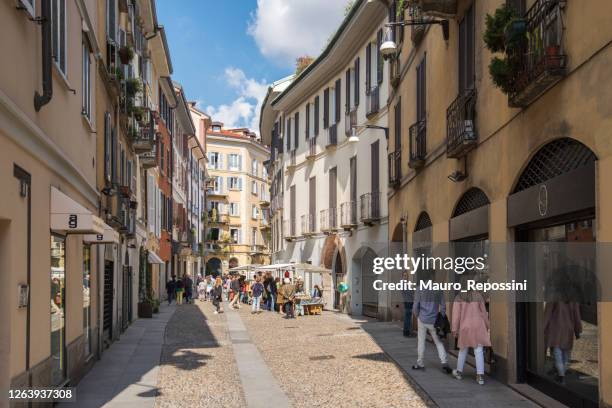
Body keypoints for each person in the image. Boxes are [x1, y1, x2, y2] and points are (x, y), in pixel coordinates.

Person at [451, 285, 491, 385]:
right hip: (478, 325)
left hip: (465, 326)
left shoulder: (458, 297)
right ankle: (480, 376)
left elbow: (456, 316)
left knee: (463, 349)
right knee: (478, 350)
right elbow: (484, 313)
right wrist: (487, 326)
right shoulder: (478, 296)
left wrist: (454, 329)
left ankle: (459, 372)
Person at [412, 283, 451, 373]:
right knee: (438, 342)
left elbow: (415, 306)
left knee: (421, 341)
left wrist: (418, 315)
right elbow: (443, 305)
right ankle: (444, 362)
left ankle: (420, 363)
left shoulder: (419, 288)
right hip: (434, 320)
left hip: (422, 319)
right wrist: (441, 317)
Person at [544, 301, 582, 385]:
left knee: (557, 353)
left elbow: (547, 314)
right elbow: (577, 316)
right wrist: (577, 330)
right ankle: (561, 374)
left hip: (555, 329)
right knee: (566, 354)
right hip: (568, 329)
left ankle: (561, 376)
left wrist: (542, 328)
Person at [402, 272, 415, 337]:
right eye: (404, 275)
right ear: (402, 276)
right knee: (408, 318)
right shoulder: (404, 284)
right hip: (408, 302)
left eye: (406, 275)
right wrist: (413, 291)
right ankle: (407, 332)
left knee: (408, 317)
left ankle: (407, 332)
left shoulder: (406, 283)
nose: (405, 277)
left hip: (408, 302)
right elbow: (410, 293)